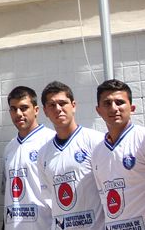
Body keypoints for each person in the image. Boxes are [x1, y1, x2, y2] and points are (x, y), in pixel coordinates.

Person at [90, 79, 145, 230]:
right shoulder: (97, 152)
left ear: (132, 108)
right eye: (107, 103)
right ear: (98, 110)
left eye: (119, 102)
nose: (114, 108)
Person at [36, 81, 104, 229]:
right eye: (52, 105)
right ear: (45, 111)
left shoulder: (96, 141)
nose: (58, 109)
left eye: (62, 103)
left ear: (73, 105)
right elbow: (49, 198)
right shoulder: (43, 154)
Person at [2, 86, 55, 229]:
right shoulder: (9, 148)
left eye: (24, 107)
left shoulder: (50, 141)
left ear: (36, 110)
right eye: (13, 109)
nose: (18, 113)